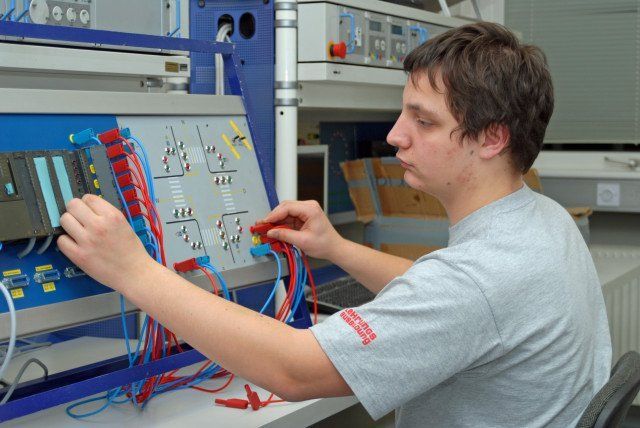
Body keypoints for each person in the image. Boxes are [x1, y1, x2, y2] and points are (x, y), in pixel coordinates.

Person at [57, 22, 612, 427]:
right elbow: (446, 300)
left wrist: (134, 272)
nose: (395, 135)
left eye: (422, 121)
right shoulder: (542, 221)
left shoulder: (478, 281)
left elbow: (295, 371)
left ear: (492, 138)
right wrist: (336, 247)